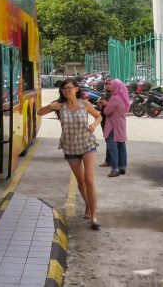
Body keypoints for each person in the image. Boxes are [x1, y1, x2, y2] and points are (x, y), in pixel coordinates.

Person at [39, 78, 103, 229]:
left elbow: (98, 115)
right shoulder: (59, 106)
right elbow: (39, 112)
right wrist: (49, 106)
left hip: (87, 144)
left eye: (69, 88)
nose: (66, 91)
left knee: (89, 180)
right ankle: (88, 205)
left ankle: (93, 216)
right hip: (70, 147)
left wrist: (93, 125)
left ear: (76, 89)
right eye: (64, 89)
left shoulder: (84, 104)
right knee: (80, 181)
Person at [100, 78, 129, 177]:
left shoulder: (115, 98)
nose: (110, 87)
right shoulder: (124, 98)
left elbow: (106, 111)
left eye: (112, 85)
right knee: (121, 145)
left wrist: (105, 105)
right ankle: (122, 167)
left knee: (112, 147)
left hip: (113, 125)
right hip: (121, 124)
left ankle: (115, 169)